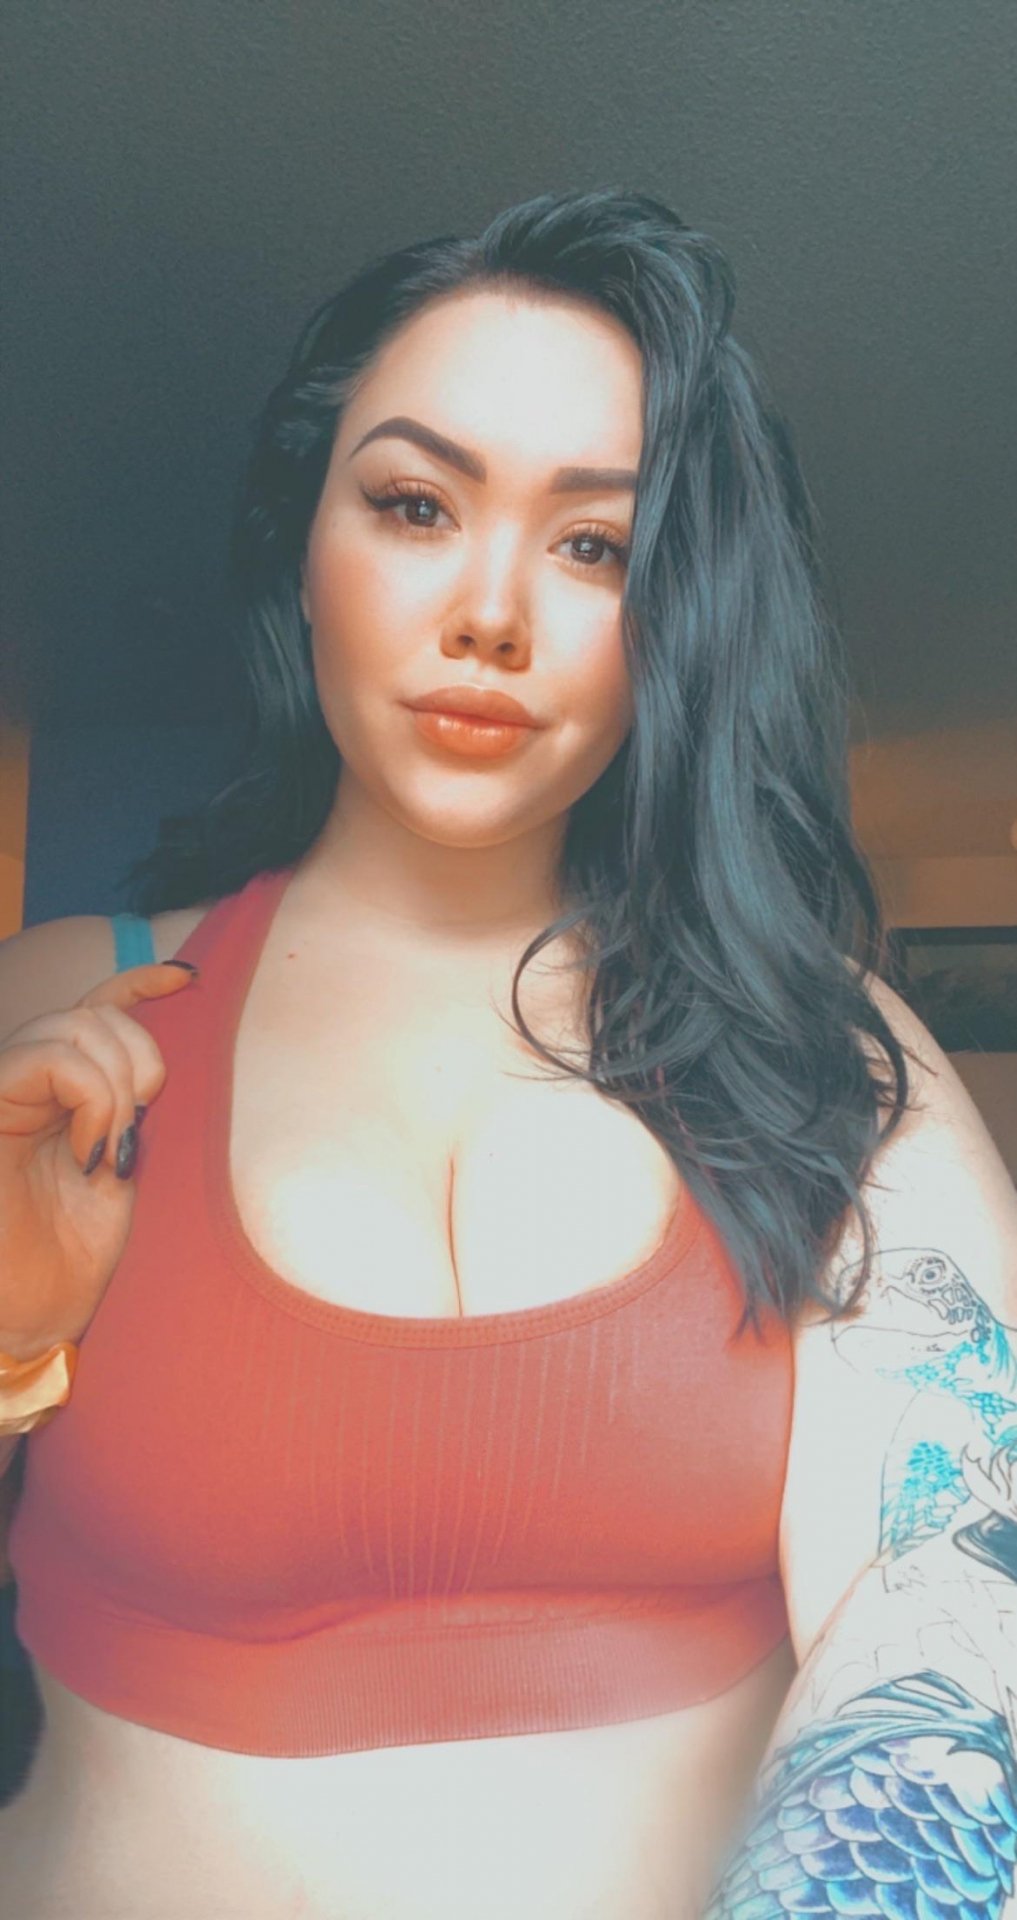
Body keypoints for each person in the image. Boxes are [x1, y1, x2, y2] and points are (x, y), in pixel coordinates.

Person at [0, 185, 1014, 1920]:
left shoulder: (829, 1062)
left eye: (594, 545)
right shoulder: (55, 1013)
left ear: (673, 614)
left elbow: (954, 1620)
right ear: (303, 548)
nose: (489, 612)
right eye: (415, 505)